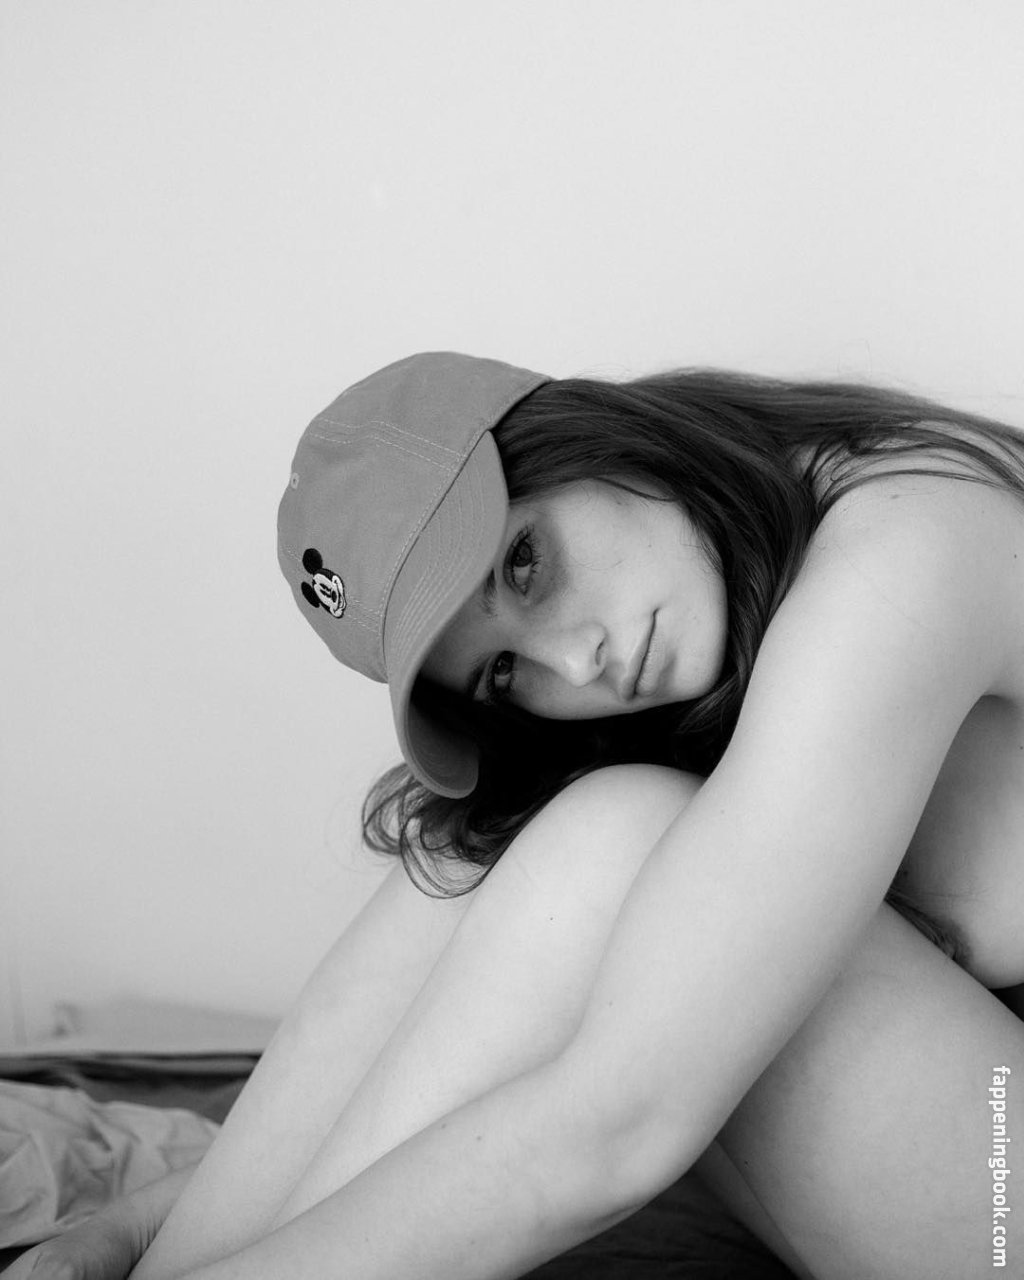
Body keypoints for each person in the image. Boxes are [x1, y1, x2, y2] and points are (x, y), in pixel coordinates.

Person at [12, 351, 1024, 1280]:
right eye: (503, 673)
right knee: (512, 846)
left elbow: (615, 1127)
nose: (577, 663)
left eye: (525, 565)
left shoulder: (904, 548)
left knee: (609, 840)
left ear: (589, 438)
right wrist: (157, 1227)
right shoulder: (735, 614)